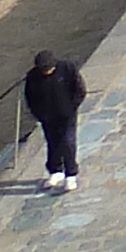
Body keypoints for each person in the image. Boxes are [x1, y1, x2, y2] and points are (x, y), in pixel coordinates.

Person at [24, 51, 84, 191]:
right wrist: (39, 114)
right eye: (43, 69)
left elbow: (79, 89)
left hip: (67, 115)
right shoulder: (32, 77)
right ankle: (56, 171)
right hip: (47, 117)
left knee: (68, 142)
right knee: (52, 142)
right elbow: (30, 97)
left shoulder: (67, 69)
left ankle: (71, 174)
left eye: (48, 69)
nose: (46, 72)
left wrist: (71, 107)